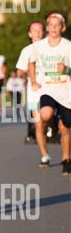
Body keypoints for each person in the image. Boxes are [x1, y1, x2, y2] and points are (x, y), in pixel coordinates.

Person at [28, 12, 71, 174]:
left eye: (57, 25)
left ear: (63, 28)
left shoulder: (68, 46)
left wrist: (66, 70)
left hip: (65, 91)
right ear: (47, 28)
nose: (53, 28)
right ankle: (52, 125)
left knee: (65, 128)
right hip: (47, 89)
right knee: (45, 115)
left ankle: (66, 159)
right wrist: (34, 81)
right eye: (50, 25)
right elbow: (31, 62)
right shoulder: (39, 46)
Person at [16, 21, 46, 144]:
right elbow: (19, 72)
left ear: (44, 32)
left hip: (52, 88)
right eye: (34, 30)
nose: (37, 33)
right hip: (33, 91)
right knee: (34, 114)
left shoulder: (51, 48)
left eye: (40, 30)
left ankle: (51, 130)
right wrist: (28, 72)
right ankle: (32, 133)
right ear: (29, 34)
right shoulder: (26, 51)